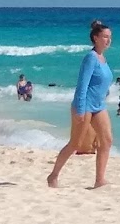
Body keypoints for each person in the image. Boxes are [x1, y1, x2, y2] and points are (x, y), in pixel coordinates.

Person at [47, 19, 115, 190]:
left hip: (99, 106)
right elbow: (82, 85)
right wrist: (80, 109)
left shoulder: (102, 58)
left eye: (110, 37)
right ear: (96, 38)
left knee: (106, 140)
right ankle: (53, 176)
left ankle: (100, 179)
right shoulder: (90, 58)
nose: (109, 40)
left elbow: (100, 83)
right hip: (85, 106)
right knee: (76, 144)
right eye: (105, 37)